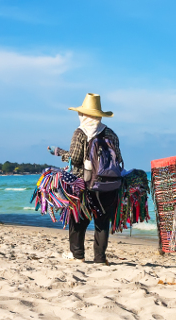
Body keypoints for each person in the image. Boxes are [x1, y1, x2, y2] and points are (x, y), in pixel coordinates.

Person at [48, 93, 123, 266]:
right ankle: (100, 258)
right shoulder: (111, 133)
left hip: (85, 182)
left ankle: (78, 254)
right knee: (102, 221)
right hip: (109, 184)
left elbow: (74, 159)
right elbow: (118, 157)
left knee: (78, 219)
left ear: (83, 115)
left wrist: (59, 152)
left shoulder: (80, 132)